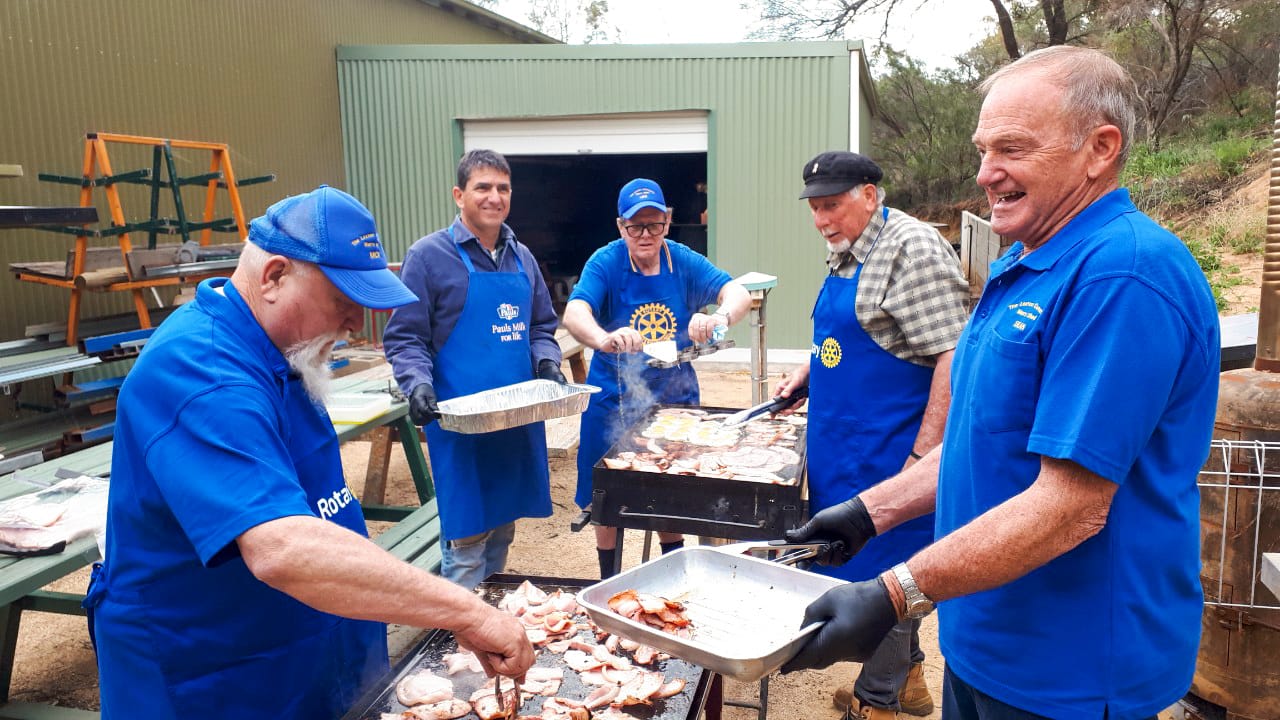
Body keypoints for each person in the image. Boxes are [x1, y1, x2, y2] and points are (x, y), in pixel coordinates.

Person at [782, 46, 1220, 720]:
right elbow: (988, 440)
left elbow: (1071, 506)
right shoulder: (1027, 260)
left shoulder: (1122, 274)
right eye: (983, 149)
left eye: (1011, 148)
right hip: (986, 638)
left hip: (1070, 667)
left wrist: (893, 592)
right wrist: (871, 513)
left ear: (1100, 149)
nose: (986, 173)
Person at [87, 186, 535, 720]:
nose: (354, 325)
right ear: (274, 276)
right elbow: (282, 547)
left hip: (305, 654)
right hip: (217, 677)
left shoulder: (282, 346)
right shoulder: (201, 374)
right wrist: (465, 610)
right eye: (343, 303)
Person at [774, 150, 969, 719]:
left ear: (870, 194)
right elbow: (864, 335)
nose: (821, 220)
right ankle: (907, 684)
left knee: (889, 578)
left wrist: (921, 455)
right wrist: (811, 370)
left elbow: (954, 357)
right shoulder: (847, 249)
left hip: (890, 455)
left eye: (832, 205)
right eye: (814, 208)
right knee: (867, 567)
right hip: (846, 451)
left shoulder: (913, 248)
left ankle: (875, 702)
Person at [384, 149, 562, 590]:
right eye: (483, 187)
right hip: (460, 424)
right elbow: (405, 336)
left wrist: (546, 361)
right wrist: (418, 385)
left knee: (503, 525)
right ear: (459, 195)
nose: (494, 197)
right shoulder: (427, 257)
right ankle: (461, 637)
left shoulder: (523, 258)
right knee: (465, 534)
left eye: (503, 188)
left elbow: (542, 325)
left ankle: (492, 614)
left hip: (515, 422)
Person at [563, 178, 751, 578]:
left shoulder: (682, 260)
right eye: (635, 227)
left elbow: (738, 293)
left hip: (672, 398)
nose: (645, 235)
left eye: (654, 225)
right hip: (614, 397)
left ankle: (673, 576)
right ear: (621, 227)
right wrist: (605, 337)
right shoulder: (606, 262)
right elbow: (575, 311)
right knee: (606, 497)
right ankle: (608, 579)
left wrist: (718, 318)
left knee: (672, 492)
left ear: (667, 221)